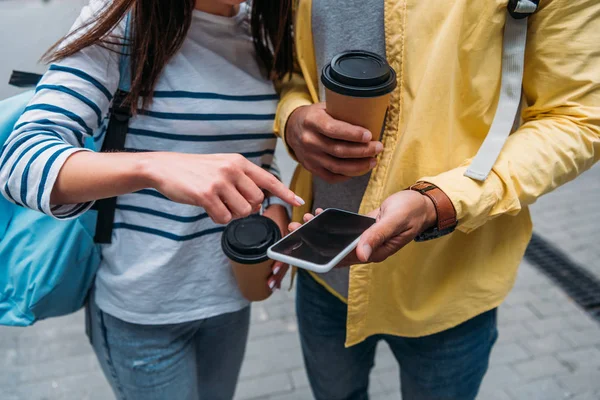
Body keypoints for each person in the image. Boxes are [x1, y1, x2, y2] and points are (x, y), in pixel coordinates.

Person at [278, 0, 600, 399]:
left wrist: (438, 201)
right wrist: (293, 120)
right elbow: (295, 72)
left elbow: (576, 118)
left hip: (448, 283)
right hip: (322, 270)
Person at [0, 0, 301, 399]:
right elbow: (22, 162)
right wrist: (154, 167)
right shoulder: (124, 21)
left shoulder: (261, 29)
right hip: (140, 312)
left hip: (230, 299)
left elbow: (254, 154)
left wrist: (274, 207)